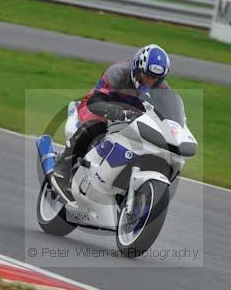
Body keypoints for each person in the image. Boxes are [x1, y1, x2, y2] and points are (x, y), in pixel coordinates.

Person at [50, 44, 171, 198]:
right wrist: (115, 111)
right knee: (96, 125)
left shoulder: (162, 89)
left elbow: (165, 115)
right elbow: (96, 100)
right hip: (102, 108)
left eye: (155, 78)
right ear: (137, 68)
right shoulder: (117, 72)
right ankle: (62, 169)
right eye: (146, 75)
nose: (149, 81)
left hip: (133, 120)